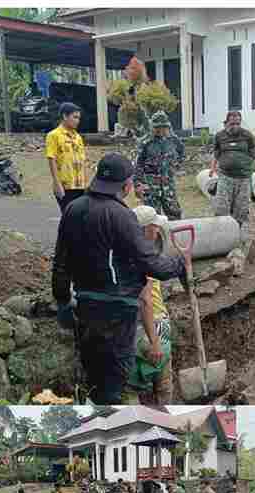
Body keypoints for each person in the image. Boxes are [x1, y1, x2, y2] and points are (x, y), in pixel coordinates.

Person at [51, 153, 187, 405]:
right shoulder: (120, 215)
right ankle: (110, 418)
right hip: (117, 312)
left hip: (86, 308)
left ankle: (97, 408)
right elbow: (151, 264)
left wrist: (62, 302)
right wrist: (180, 264)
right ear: (126, 186)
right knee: (114, 380)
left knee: (95, 374)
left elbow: (60, 263)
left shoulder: (73, 209)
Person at [121, 205, 174, 404]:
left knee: (129, 386)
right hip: (150, 326)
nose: (158, 229)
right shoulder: (143, 257)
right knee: (163, 383)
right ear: (145, 229)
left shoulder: (121, 250)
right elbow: (145, 300)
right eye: (154, 226)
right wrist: (154, 341)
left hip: (126, 329)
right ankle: (165, 414)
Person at [133, 110, 185, 220]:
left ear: (168, 127)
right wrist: (137, 184)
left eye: (163, 127)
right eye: (157, 127)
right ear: (152, 127)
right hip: (151, 187)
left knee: (175, 215)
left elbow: (182, 153)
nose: (161, 130)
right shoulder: (145, 142)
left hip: (168, 186)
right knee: (152, 217)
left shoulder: (173, 140)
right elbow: (138, 164)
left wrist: (175, 166)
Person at [210, 110, 255, 226]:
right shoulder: (219, 136)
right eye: (232, 124)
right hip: (225, 177)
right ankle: (223, 231)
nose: (235, 126)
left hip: (244, 178)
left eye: (238, 123)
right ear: (226, 123)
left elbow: (253, 154)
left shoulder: (247, 135)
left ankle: (237, 231)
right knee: (221, 208)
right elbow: (216, 154)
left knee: (241, 210)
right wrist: (212, 168)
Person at [46, 102, 87, 213]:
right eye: (75, 117)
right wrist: (57, 183)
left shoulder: (78, 137)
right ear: (65, 116)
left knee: (79, 216)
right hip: (65, 186)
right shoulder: (53, 135)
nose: (77, 121)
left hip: (80, 185)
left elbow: (82, 161)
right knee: (68, 215)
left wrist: (85, 184)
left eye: (79, 118)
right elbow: (51, 159)